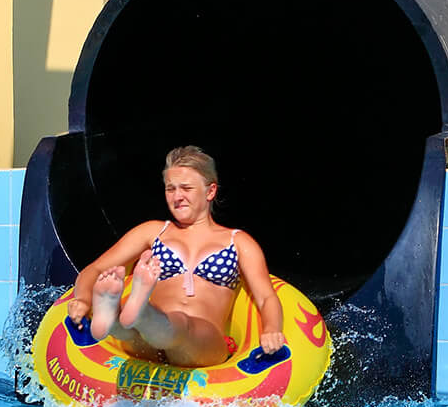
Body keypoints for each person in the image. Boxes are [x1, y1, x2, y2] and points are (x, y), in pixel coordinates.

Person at [66, 146, 285, 368]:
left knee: (180, 323)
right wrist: (83, 300)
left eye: (186, 188)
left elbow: (266, 297)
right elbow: (94, 270)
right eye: (170, 189)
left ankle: (137, 312)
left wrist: (271, 329)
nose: (177, 196)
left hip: (203, 342)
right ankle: (113, 316)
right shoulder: (153, 232)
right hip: (148, 343)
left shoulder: (238, 242)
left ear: (210, 191)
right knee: (141, 326)